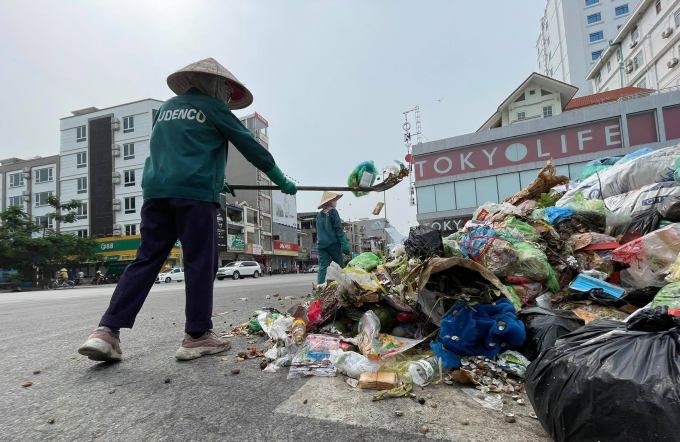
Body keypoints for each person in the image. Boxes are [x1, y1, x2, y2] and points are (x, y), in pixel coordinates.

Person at [78, 58, 297, 362]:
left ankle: (106, 331)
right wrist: (281, 180)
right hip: (193, 196)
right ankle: (197, 335)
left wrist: (217, 181)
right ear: (215, 85)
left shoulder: (167, 109)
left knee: (146, 260)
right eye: (225, 91)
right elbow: (250, 145)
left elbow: (180, 150)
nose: (226, 98)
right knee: (200, 261)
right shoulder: (212, 106)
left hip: (156, 193)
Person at [316, 192, 350, 284]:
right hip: (333, 244)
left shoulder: (319, 215)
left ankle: (320, 287)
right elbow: (338, 229)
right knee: (338, 265)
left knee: (322, 267)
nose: (335, 202)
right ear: (330, 202)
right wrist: (344, 243)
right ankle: (342, 285)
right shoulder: (333, 212)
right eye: (334, 200)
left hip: (321, 245)